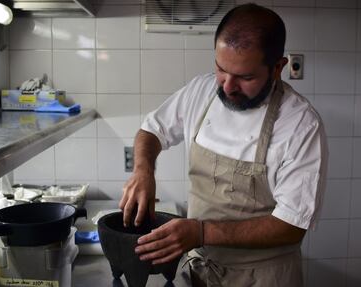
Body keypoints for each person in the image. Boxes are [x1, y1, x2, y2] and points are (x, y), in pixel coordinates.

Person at [119, 3, 328, 286]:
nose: (227, 87)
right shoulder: (201, 91)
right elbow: (151, 130)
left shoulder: (300, 125)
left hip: (263, 277)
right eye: (221, 69)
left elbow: (291, 226)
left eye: (246, 77)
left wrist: (201, 233)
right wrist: (143, 171)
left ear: (278, 68)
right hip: (200, 271)